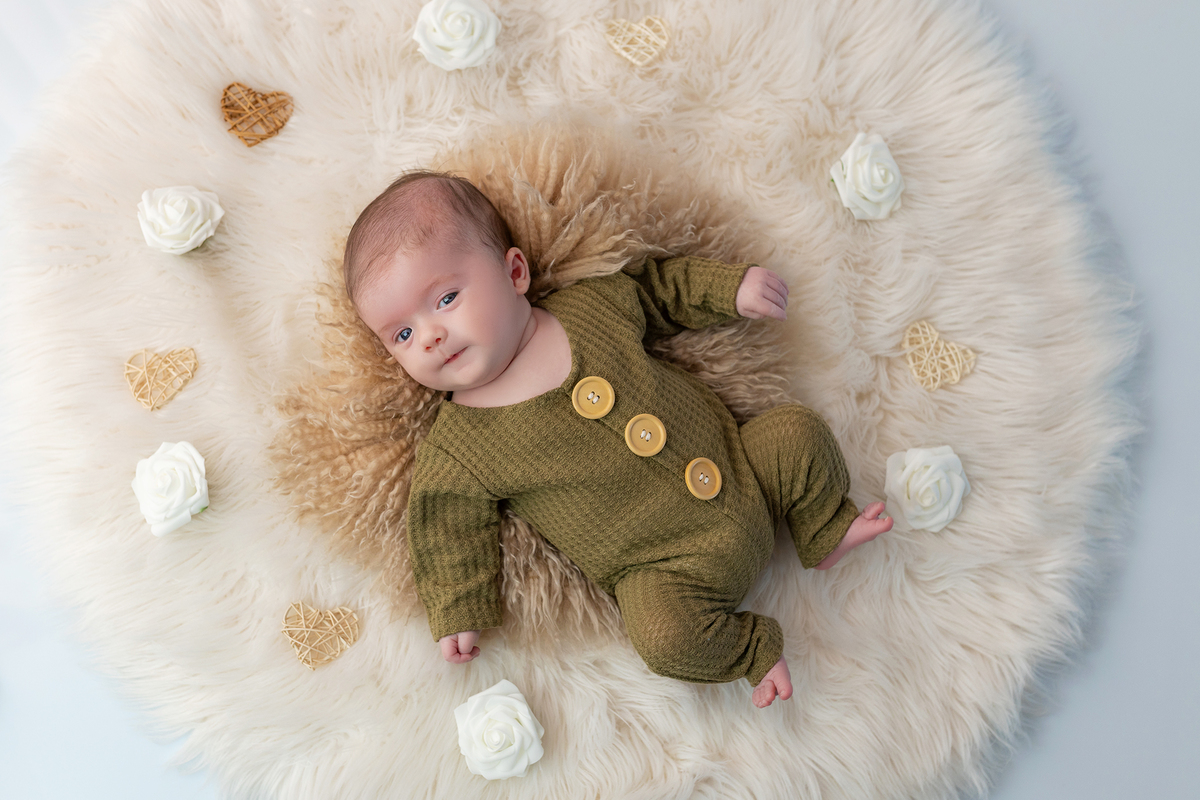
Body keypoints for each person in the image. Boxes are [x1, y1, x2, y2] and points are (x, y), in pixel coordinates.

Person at [344, 170, 892, 708]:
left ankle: (823, 528)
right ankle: (751, 650)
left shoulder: (589, 309)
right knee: (664, 638)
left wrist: (731, 290)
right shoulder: (460, 446)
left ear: (514, 272)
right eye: (403, 334)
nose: (431, 338)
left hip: (746, 468)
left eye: (445, 299)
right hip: (666, 572)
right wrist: (458, 609)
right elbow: (444, 524)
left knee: (795, 432)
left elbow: (660, 292)